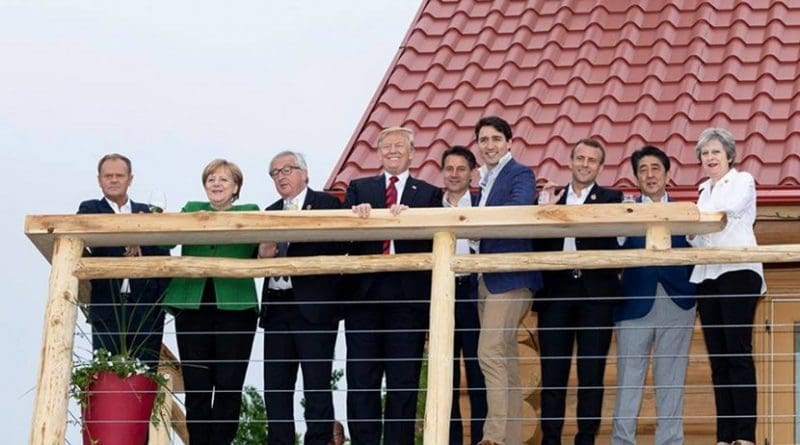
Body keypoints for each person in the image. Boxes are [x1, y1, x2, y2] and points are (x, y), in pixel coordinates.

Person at [344, 126, 442, 445]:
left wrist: (410, 220)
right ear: (379, 152)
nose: (393, 151)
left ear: (412, 152)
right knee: (361, 381)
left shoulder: (428, 194)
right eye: (387, 146)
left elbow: (434, 239)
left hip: (408, 301)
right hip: (365, 299)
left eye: (400, 146)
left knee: (404, 382)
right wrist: (357, 217)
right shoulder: (359, 189)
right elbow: (345, 236)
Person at [162, 159, 260, 445]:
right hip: (192, 307)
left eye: (224, 180)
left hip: (236, 309)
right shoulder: (191, 209)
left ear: (236, 187)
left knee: (229, 385)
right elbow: (165, 240)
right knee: (197, 385)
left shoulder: (251, 212)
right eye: (211, 179)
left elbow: (266, 249)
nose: (216, 184)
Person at [537, 138, 622, 445]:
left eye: (592, 160)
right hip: (555, 295)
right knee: (553, 375)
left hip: (595, 296)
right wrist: (544, 211)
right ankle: (551, 439)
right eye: (580, 158)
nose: (585, 164)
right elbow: (536, 246)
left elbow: (614, 240)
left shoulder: (613, 199)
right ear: (570, 162)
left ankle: (586, 439)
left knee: (591, 374)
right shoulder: (548, 200)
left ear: (600, 167)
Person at [610, 146, 696, 445]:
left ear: (667, 174)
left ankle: (671, 441)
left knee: (671, 380)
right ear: (636, 177)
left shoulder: (687, 210)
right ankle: (622, 441)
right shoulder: (626, 211)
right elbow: (615, 252)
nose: (650, 174)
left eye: (655, 168)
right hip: (633, 305)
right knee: (628, 381)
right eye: (643, 169)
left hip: (678, 302)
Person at [688, 128, 766, 445]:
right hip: (706, 274)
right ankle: (725, 436)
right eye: (705, 153)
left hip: (737, 271)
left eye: (715, 152)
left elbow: (728, 210)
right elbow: (694, 238)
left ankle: (745, 436)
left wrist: (694, 221)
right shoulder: (702, 190)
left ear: (729, 155)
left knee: (737, 354)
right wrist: (693, 225)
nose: (710, 158)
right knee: (718, 359)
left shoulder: (743, 180)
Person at [260, 150, 343, 445]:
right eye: (275, 172)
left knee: (317, 385)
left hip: (314, 308)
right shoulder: (268, 212)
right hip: (276, 307)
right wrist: (262, 253)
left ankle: (319, 442)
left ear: (304, 173)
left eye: (287, 169)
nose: (281, 176)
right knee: (275, 388)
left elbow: (337, 250)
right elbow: (257, 259)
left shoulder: (327, 204)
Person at [472, 116, 542, 445]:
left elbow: (518, 210)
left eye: (495, 139)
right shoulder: (484, 181)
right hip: (486, 278)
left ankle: (494, 437)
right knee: (505, 358)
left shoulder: (520, 173)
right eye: (483, 139)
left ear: (509, 143)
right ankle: (511, 437)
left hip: (511, 276)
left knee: (488, 351)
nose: (489, 145)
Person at [77, 153, 168, 365]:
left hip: (145, 307)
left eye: (119, 175)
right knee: (105, 373)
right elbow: (92, 234)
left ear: (130, 179)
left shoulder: (147, 212)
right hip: (107, 304)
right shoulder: (90, 208)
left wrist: (157, 299)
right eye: (108, 175)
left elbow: (163, 253)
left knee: (145, 373)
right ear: (99, 180)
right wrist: (132, 235)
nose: (114, 180)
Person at [440, 145, 487, 445]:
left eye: (461, 168)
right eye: (449, 168)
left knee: (478, 372)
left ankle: (482, 439)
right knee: (446, 378)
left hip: (474, 293)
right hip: (442, 296)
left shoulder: (484, 201)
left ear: (472, 173)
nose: (454, 174)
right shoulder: (428, 202)